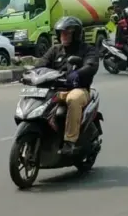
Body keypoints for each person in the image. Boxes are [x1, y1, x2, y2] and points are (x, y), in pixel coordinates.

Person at [35, 16, 99, 154]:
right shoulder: (55, 50)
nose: (63, 36)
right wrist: (29, 73)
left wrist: (78, 73)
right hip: (55, 90)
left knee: (73, 99)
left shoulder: (87, 49)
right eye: (61, 33)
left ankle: (69, 142)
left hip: (79, 89)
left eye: (67, 33)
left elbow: (91, 65)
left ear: (75, 34)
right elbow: (41, 64)